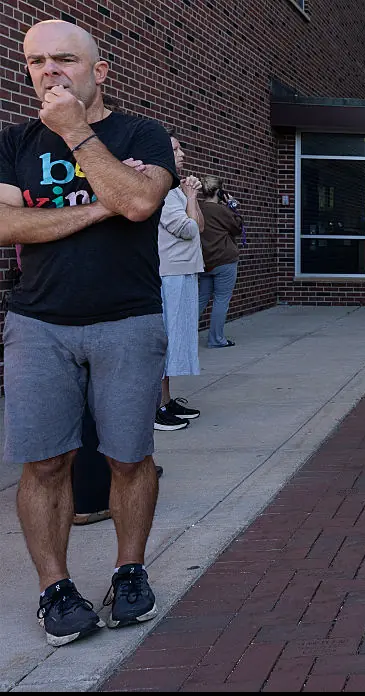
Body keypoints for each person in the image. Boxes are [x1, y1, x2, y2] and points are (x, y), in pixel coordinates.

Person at [0, 19, 175, 646]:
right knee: (44, 461)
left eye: (65, 59)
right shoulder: (13, 141)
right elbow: (6, 226)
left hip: (128, 320)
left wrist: (76, 133)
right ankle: (56, 588)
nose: (50, 71)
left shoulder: (143, 133)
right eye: (37, 60)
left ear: (98, 71)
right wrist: (105, 200)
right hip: (38, 323)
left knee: (129, 458)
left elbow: (141, 204)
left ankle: (130, 572)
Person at [156, 132, 204, 431]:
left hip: (182, 272)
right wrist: (190, 198)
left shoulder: (176, 189)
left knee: (175, 341)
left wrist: (190, 198)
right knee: (166, 341)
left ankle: (166, 400)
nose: (183, 153)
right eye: (176, 149)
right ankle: (156, 407)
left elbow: (198, 225)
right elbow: (188, 229)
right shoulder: (162, 189)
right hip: (169, 275)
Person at [197, 176, 243, 348]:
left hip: (204, 261)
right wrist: (233, 206)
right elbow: (237, 228)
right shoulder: (223, 211)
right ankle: (216, 339)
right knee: (221, 300)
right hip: (224, 260)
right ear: (219, 191)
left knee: (201, 299)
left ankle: (183, 337)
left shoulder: (197, 208)